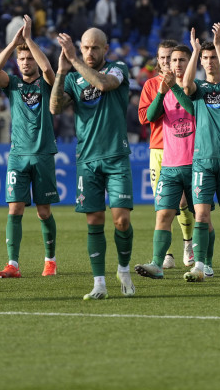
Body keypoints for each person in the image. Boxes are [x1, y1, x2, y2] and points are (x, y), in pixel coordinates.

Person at [50, 27, 135, 300]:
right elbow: (54, 108)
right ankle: (99, 282)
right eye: (85, 47)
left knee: (121, 220)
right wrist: (62, 71)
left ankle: (123, 269)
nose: (89, 52)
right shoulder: (74, 78)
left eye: (94, 48)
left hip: (116, 156)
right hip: (87, 160)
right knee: (94, 220)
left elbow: (103, 84)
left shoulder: (118, 68)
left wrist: (73, 59)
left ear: (105, 49)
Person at [135, 44, 216, 279]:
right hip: (170, 165)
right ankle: (158, 264)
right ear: (167, 64)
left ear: (189, 63)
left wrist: (175, 89)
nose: (177, 64)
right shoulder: (163, 89)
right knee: (163, 214)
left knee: (203, 218)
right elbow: (150, 117)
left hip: (196, 165)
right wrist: (161, 92)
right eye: (174, 60)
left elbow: (193, 109)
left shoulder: (198, 88)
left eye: (182, 60)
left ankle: (205, 264)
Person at [0, 15, 60, 278]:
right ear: (17, 63)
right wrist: (14, 44)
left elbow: (50, 72)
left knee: (43, 212)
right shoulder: (14, 85)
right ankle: (13, 265)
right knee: (14, 208)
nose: (26, 62)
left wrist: (29, 40)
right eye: (22, 59)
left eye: (29, 58)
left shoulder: (45, 84)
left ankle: (50, 261)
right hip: (17, 155)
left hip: (42, 153)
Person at [181, 23, 220, 282]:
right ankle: (201, 265)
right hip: (202, 160)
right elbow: (185, 85)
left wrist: (218, 45)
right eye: (206, 58)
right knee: (202, 215)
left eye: (212, 58)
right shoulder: (199, 89)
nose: (209, 62)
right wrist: (195, 51)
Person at [138, 39, 197, 269]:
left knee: (183, 202)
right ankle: (167, 254)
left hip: (183, 149)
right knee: (163, 204)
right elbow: (144, 117)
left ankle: (188, 244)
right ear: (158, 59)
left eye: (169, 57)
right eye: (161, 57)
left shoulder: (188, 84)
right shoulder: (151, 85)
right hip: (158, 150)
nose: (165, 61)